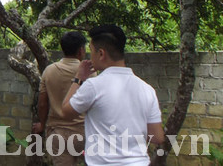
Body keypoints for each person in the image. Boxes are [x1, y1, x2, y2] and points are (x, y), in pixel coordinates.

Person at [62, 25, 165, 165]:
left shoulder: (93, 86)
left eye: (91, 51)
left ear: (101, 54)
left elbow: (66, 112)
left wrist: (78, 78)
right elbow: (157, 137)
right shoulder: (147, 89)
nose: (90, 56)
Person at [32, 31, 93, 166]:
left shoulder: (49, 71)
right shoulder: (89, 73)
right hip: (84, 133)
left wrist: (42, 124)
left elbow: (42, 103)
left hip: (57, 134)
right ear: (81, 50)